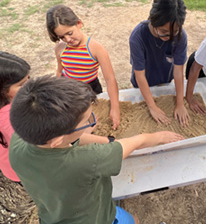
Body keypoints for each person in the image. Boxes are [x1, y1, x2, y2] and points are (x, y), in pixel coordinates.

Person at [9, 75, 184, 224]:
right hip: (95, 218)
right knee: (133, 220)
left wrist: (105, 139)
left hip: (53, 215)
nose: (92, 122)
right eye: (86, 121)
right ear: (58, 139)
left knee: (132, 219)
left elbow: (71, 139)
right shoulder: (86, 161)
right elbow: (126, 146)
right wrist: (155, 137)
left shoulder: (19, 143)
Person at [46, 5, 120, 130]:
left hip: (90, 88)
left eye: (69, 33)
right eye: (62, 37)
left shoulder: (96, 48)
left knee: (93, 122)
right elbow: (59, 71)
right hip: (68, 88)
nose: (67, 39)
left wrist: (115, 107)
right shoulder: (60, 48)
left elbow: (110, 79)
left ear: (79, 24)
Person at [129, 0, 190, 127]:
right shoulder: (138, 36)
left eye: (173, 33)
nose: (168, 37)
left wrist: (180, 103)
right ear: (152, 20)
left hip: (164, 80)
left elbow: (179, 71)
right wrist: (152, 106)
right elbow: (140, 74)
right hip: (143, 83)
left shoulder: (180, 37)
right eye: (163, 32)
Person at [0, 51, 30, 182]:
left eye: (29, 79)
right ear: (3, 90)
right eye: (22, 84)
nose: (29, 85)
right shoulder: (11, 117)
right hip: (25, 170)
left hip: (9, 165)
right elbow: (31, 148)